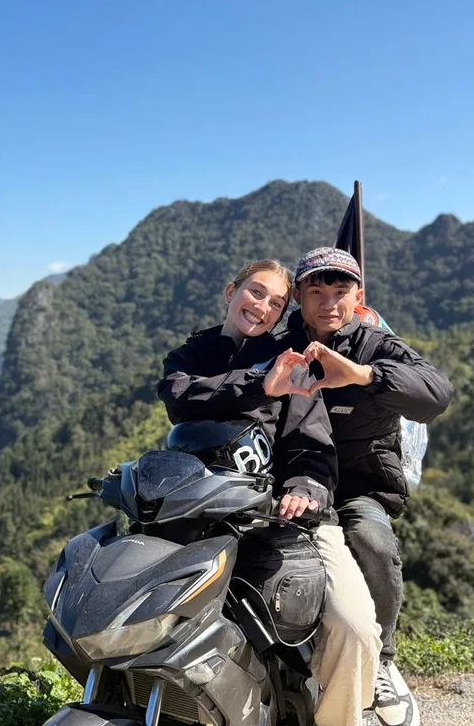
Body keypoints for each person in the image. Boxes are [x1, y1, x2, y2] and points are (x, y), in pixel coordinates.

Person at [157, 259, 382, 726]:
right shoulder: (191, 355)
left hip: (283, 519)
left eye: (276, 303)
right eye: (255, 293)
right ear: (230, 291)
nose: (262, 307)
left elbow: (311, 446)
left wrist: (304, 488)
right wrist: (260, 384)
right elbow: (181, 399)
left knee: (353, 625)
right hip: (198, 516)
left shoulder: (292, 363)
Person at [259, 247, 453, 726]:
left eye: (340, 292)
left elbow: (435, 393)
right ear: (299, 296)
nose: (329, 303)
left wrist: (363, 376)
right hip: (288, 481)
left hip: (358, 485)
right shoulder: (280, 346)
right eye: (317, 291)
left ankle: (381, 660)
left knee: (371, 541)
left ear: (358, 296)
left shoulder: (376, 346)